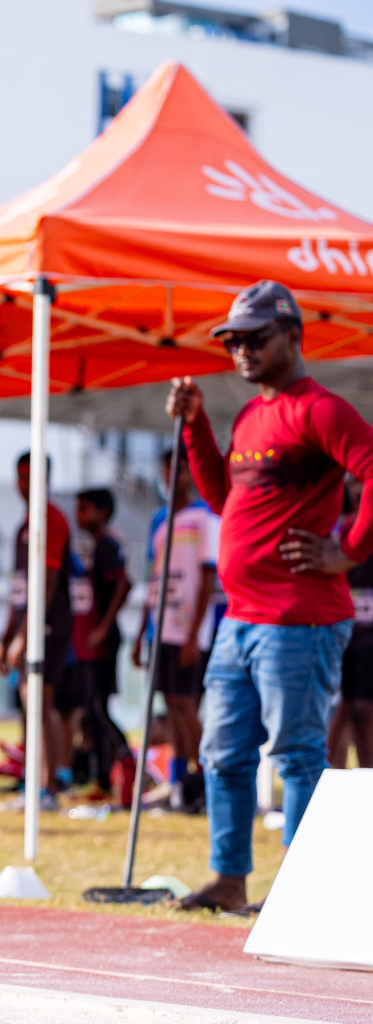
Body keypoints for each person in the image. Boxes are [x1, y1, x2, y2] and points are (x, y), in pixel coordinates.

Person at [168, 280, 373, 913]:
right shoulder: (254, 415)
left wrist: (350, 550)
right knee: (222, 752)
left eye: (256, 337)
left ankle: (300, 894)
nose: (242, 350)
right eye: (233, 340)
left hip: (299, 621)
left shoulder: (321, 410)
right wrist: (196, 425)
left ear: (292, 336)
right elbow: (224, 501)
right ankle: (229, 879)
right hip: (241, 619)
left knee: (297, 753)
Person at [131, 449, 219, 812]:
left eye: (179, 470)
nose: (173, 477)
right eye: (167, 470)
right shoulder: (159, 521)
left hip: (187, 630)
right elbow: (154, 579)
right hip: (160, 628)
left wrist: (195, 632)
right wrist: (142, 632)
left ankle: (209, 780)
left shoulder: (205, 518)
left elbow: (208, 577)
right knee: (170, 704)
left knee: (186, 705)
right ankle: (179, 782)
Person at [0, 452, 72, 812]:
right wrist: (5, 637)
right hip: (28, 623)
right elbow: (20, 588)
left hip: (48, 623)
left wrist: (26, 635)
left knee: (41, 701)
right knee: (31, 703)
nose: (24, 484)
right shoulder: (24, 524)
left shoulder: (51, 520)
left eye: (31, 476)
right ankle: (33, 783)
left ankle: (47, 787)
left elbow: (47, 581)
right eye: (20, 476)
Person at [72, 488, 133, 796]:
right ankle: (102, 779)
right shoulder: (97, 546)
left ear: (102, 511)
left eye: (84, 509)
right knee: (92, 708)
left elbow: (124, 583)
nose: (78, 515)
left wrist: (102, 627)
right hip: (89, 641)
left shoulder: (107, 544)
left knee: (98, 708)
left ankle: (127, 759)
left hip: (102, 642)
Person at [330, 479, 373, 768]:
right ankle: (335, 778)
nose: (357, 490)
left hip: (369, 637)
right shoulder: (336, 529)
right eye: (353, 482)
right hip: (341, 630)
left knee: (363, 708)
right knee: (344, 707)